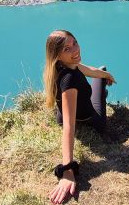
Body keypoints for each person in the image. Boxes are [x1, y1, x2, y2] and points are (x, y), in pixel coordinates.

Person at [43, 29, 116, 204]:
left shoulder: (60, 66)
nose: (75, 50)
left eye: (74, 43)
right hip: (90, 119)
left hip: (63, 115)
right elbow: (69, 128)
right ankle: (103, 78)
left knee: (98, 73)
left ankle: (103, 73)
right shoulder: (71, 80)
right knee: (100, 83)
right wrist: (67, 170)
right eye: (67, 49)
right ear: (57, 54)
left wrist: (106, 75)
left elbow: (84, 69)